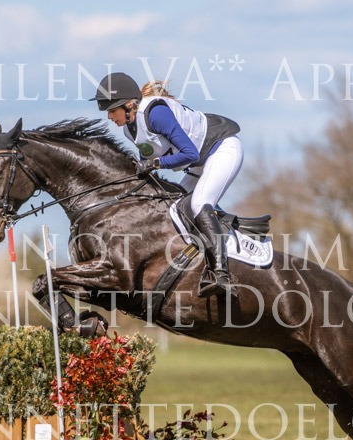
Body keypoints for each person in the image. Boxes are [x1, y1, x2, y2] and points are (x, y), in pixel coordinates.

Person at [90, 72, 244, 298]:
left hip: (221, 149)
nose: (109, 116)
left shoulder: (156, 114)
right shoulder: (130, 129)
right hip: (199, 163)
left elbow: (189, 153)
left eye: (112, 110)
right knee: (174, 209)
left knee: (199, 204)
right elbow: (149, 161)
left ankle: (221, 275)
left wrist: (155, 163)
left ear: (129, 105)